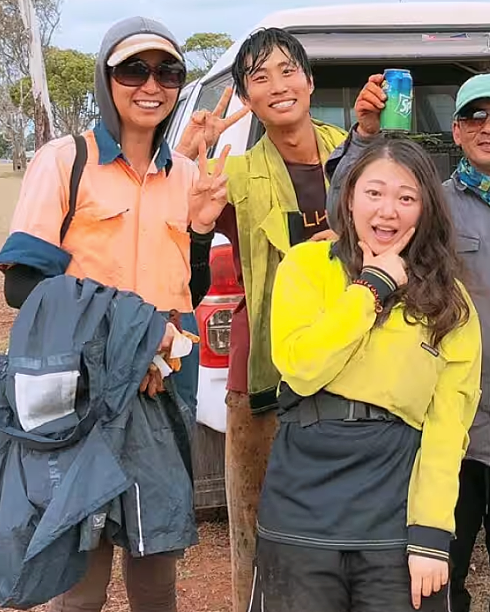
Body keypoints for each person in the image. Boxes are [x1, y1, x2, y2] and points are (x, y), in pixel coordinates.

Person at [326, 72, 490, 612]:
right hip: (443, 432)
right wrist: (362, 138)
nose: (489, 127)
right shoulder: (428, 211)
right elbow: (348, 211)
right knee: (438, 575)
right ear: (456, 130)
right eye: (476, 116)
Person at [0, 17, 229, 611]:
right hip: (84, 394)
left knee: (156, 571)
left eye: (168, 72)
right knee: (83, 578)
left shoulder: (187, 177)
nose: (151, 84)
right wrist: (132, 340)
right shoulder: (64, 161)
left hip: (162, 391)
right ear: (107, 79)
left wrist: (200, 232)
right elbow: (25, 286)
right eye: (134, 69)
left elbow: (190, 288)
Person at [251, 137, 482, 612]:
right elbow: (301, 366)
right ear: (349, 198)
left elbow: (448, 425)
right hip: (303, 497)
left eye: (406, 197)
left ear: (426, 210)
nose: (388, 211)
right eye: (374, 193)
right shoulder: (307, 266)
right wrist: (370, 288)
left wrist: (432, 533)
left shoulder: (450, 300)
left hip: (394, 501)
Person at [176, 27, 348, 605]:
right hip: (265, 372)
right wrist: (179, 156)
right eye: (259, 77)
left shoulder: (352, 155)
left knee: (340, 512)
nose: (277, 86)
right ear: (247, 98)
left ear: (309, 81)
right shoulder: (235, 172)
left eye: (286, 70)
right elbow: (166, 231)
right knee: (257, 514)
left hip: (355, 361)